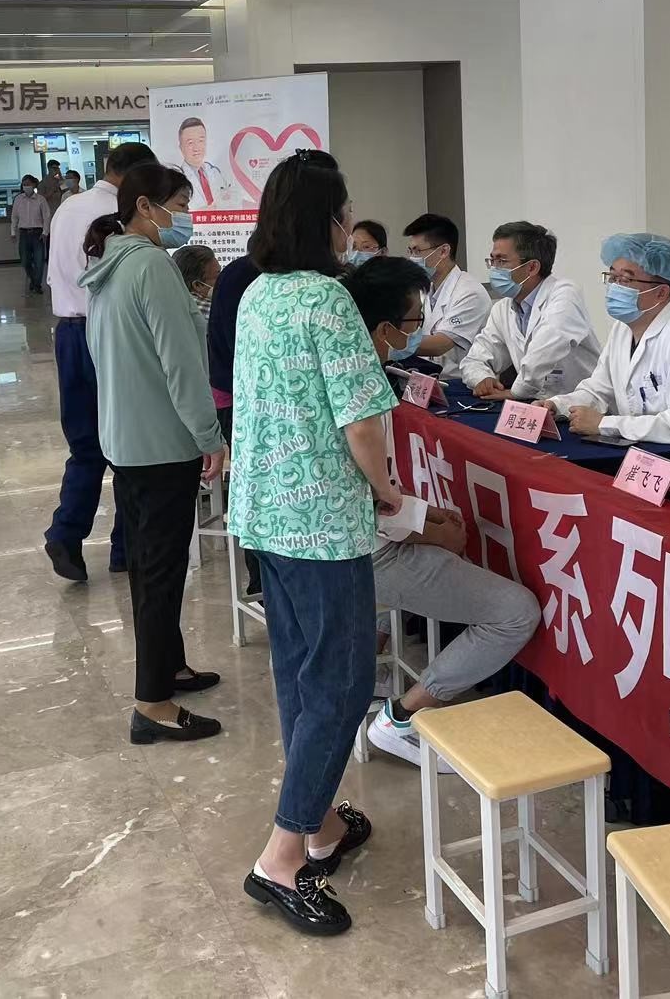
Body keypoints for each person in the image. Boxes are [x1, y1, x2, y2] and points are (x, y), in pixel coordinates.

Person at [231, 152, 399, 937]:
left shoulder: (256, 293)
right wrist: (387, 489)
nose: (348, 225)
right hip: (323, 522)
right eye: (344, 212)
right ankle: (282, 858)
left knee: (301, 673)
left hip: (268, 512)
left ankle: (323, 823)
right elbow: (361, 422)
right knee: (340, 685)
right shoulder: (328, 300)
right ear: (326, 222)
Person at [342, 257, 540, 769]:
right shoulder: (359, 386)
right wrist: (428, 528)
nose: (418, 331)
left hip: (353, 540)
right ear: (384, 328)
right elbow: (373, 500)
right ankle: (404, 717)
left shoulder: (348, 368)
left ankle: (369, 673)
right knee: (516, 612)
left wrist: (424, 516)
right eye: (413, 321)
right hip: (368, 549)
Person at [80, 163, 227, 745]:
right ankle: (153, 705)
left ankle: (170, 666)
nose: (185, 216)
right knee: (161, 573)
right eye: (180, 204)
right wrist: (209, 436)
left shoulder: (109, 265)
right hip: (163, 445)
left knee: (148, 565)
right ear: (145, 206)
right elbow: (182, 366)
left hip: (126, 439)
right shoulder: (152, 267)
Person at [208, 149, 341, 599]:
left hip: (258, 414)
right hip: (251, 407)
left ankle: (271, 584)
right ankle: (265, 583)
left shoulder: (259, 283)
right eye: (341, 213)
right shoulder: (262, 282)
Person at [42, 141, 156, 582]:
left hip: (68, 334)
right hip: (109, 333)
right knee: (128, 444)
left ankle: (65, 534)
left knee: (85, 445)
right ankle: (126, 548)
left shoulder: (67, 207)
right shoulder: (120, 216)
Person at [538, 232, 670, 470]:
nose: (615, 287)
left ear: (661, 292)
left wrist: (605, 424)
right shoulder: (624, 328)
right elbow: (599, 390)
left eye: (626, 280)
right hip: (648, 461)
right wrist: (557, 405)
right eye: (612, 277)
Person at [459, 221, 601, 401]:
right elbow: (475, 358)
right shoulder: (503, 308)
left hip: (578, 405)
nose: (494, 269)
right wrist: (481, 378)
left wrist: (516, 392)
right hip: (534, 405)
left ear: (532, 267)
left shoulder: (565, 293)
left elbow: (545, 350)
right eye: (492, 260)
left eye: (501, 261)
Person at [402, 213, 490, 375]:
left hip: (461, 382)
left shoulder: (470, 293)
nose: (412, 258)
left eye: (418, 251)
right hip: (429, 377)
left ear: (443, 251)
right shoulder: (425, 289)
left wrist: (391, 343)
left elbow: (439, 345)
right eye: (410, 251)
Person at [175, 116, 237, 209]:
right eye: (190, 143)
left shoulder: (215, 172)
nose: (196, 148)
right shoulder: (178, 180)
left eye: (200, 141)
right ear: (181, 147)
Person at [10, 174, 51, 294]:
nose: (26, 186)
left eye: (28, 184)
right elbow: (14, 217)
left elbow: (46, 216)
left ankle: (37, 285)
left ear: (34, 185)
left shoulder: (40, 199)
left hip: (37, 233)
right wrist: (13, 232)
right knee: (25, 261)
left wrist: (45, 232)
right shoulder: (18, 199)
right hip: (23, 233)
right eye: (24, 184)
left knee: (39, 261)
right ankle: (34, 280)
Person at [171, 243, 219, 336]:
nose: (222, 279)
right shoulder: (213, 311)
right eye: (217, 275)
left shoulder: (171, 303)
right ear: (198, 285)